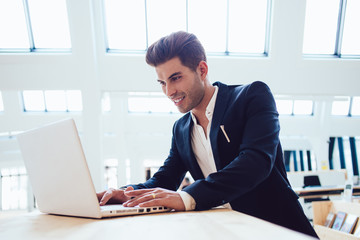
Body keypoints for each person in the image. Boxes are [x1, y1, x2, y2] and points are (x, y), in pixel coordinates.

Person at [97, 31, 318, 238]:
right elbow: (165, 179)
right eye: (162, 83)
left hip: (279, 229)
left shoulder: (252, 96)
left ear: (202, 70)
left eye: (176, 78)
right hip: (227, 230)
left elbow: (256, 162)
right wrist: (125, 193)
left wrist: (188, 196)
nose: (168, 92)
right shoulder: (181, 128)